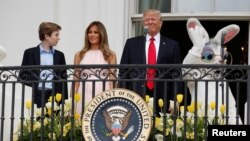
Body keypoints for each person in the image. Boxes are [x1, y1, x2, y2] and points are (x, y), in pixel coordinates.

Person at [120, 9, 182, 115]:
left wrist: (175, 100)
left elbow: (177, 75)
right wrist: (122, 98)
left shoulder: (172, 45)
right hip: (136, 95)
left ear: (160, 23)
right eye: (147, 19)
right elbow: (123, 72)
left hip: (163, 96)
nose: (150, 22)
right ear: (143, 23)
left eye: (153, 19)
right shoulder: (131, 43)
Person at [19, 22, 68, 108]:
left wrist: (64, 103)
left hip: (54, 96)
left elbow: (63, 80)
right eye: (56, 35)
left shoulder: (60, 55)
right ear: (46, 36)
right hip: (35, 96)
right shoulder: (29, 53)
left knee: (53, 121)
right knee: (34, 121)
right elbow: (22, 77)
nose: (58, 38)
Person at [72, 21, 117, 114]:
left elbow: (112, 80)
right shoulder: (79, 55)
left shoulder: (110, 55)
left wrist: (113, 99)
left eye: (96, 32)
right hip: (83, 92)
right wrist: (72, 101)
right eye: (90, 32)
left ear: (102, 34)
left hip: (103, 92)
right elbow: (75, 80)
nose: (92, 35)